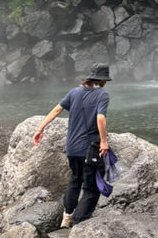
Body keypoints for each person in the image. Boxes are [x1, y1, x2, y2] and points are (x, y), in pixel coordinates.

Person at [32, 63, 111, 228]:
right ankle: (80, 223)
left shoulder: (74, 92)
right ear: (103, 80)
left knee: (75, 179)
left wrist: (41, 128)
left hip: (72, 147)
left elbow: (56, 110)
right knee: (91, 187)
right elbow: (100, 118)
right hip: (89, 149)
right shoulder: (102, 95)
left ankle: (67, 216)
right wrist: (103, 141)